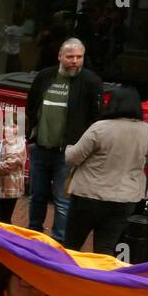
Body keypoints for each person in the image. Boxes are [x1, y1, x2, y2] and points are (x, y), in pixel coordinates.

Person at [62, 85, 148, 257]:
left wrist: (69, 147)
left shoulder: (100, 128)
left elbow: (72, 158)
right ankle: (100, 282)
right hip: (126, 199)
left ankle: (63, 280)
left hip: (89, 195)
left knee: (71, 245)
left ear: (113, 104)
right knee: (106, 249)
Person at [25, 38, 102, 242]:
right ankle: (33, 235)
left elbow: (95, 118)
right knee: (36, 196)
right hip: (40, 147)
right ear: (60, 56)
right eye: (70, 57)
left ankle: (59, 242)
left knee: (62, 200)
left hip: (68, 153)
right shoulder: (44, 76)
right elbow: (31, 105)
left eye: (79, 57)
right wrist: (30, 136)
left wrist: (82, 148)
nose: (75, 61)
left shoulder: (90, 81)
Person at [0, 114, 27, 225]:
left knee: (4, 219)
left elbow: (7, 166)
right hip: (1, 187)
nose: (8, 128)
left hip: (8, 190)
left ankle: (5, 239)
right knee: (2, 217)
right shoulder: (5, 141)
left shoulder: (16, 144)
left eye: (13, 126)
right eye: (6, 125)